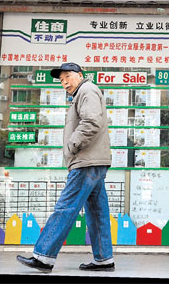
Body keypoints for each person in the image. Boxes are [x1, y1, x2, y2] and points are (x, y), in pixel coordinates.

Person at [16, 62, 114, 272]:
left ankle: (43, 257)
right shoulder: (83, 93)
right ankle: (104, 259)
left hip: (86, 161)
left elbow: (92, 122)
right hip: (94, 161)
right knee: (97, 213)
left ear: (80, 75)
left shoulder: (86, 90)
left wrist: (72, 145)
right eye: (61, 80)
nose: (64, 83)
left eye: (68, 77)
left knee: (65, 207)